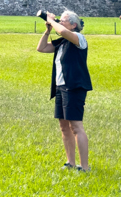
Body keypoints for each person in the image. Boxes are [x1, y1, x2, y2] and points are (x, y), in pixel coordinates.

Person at [36, 10, 93, 172]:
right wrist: (47, 29)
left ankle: (85, 166)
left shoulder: (79, 39)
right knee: (64, 126)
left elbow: (61, 30)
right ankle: (71, 163)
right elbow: (41, 48)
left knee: (76, 126)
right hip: (61, 87)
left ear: (74, 25)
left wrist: (51, 20)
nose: (61, 22)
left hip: (74, 86)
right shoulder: (62, 42)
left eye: (64, 20)